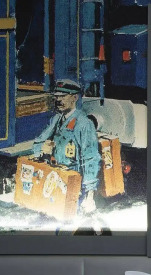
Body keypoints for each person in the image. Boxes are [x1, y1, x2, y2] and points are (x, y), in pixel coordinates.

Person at [32, 79, 101, 214]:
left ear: (75, 98)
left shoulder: (84, 124)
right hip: (57, 178)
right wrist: (42, 149)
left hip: (75, 183)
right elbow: (38, 142)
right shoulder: (56, 119)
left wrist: (90, 195)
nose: (58, 100)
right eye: (57, 96)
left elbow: (91, 158)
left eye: (63, 96)